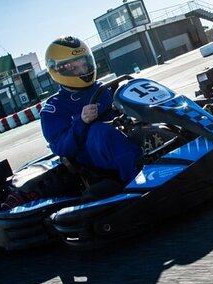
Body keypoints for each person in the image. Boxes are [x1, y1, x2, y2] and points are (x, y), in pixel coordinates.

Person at [40, 36, 142, 187]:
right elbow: (60, 146)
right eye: (74, 68)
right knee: (100, 130)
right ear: (58, 70)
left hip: (120, 138)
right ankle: (139, 178)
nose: (83, 70)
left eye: (84, 64)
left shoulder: (105, 87)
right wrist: (81, 122)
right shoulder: (54, 108)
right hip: (90, 156)